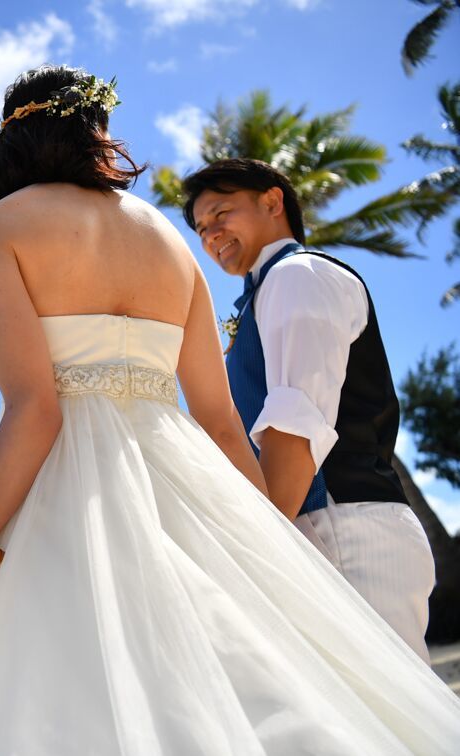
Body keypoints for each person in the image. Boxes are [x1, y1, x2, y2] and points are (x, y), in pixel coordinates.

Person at [0, 65, 460, 754]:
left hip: (66, 494)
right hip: (189, 485)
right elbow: (224, 424)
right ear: (97, 135)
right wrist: (273, 555)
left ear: (10, 138)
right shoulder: (173, 247)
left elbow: (36, 409)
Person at [181, 158, 435, 662]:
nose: (211, 236)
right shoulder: (265, 292)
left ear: (273, 201)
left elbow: (296, 422)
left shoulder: (299, 276)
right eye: (202, 229)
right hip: (318, 524)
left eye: (222, 214)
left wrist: (263, 548)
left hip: (346, 528)